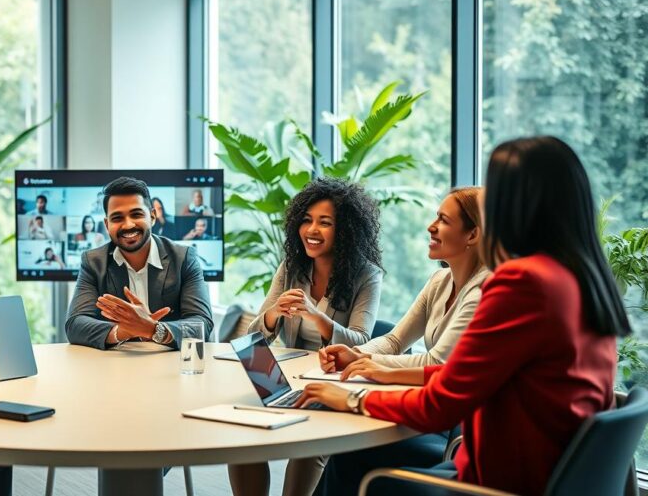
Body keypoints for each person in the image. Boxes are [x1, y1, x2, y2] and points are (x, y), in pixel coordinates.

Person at [296, 136, 630, 496]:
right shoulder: (581, 279)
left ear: (514, 206)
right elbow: (480, 374)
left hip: (499, 486)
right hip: (560, 478)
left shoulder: (523, 282)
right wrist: (376, 367)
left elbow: (438, 407)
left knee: (353, 463)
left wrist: (350, 398)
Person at [303, 187, 492, 495]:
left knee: (348, 454)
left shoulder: (483, 290)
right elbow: (394, 340)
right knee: (345, 451)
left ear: (472, 235)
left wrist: (369, 365)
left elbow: (437, 363)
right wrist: (355, 353)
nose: (431, 226)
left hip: (448, 429)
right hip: (432, 412)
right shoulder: (440, 281)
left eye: (443, 220)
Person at [229, 177, 382, 496]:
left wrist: (316, 314)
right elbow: (254, 339)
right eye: (306, 220)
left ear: (346, 230)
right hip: (287, 377)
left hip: (336, 382)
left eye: (324, 223)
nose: (312, 230)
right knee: (242, 435)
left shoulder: (367, 275)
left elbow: (360, 343)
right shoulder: (292, 267)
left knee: (312, 444)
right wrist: (273, 315)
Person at [65, 176, 214, 350]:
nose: (128, 225)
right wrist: (123, 331)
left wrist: (154, 330)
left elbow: (201, 323)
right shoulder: (93, 262)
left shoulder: (184, 258)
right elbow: (75, 324)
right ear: (107, 224)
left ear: (152, 216)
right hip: (114, 367)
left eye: (136, 214)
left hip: (172, 366)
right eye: (117, 218)